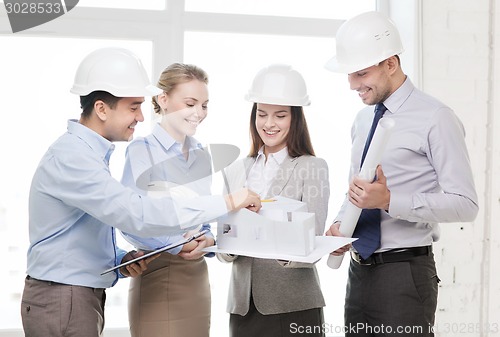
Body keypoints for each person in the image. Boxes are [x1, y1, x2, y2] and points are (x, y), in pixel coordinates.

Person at [20, 47, 261, 337]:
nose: (141, 117)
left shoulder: (90, 154)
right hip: (65, 296)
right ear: (101, 108)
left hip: (78, 294)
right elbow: (136, 213)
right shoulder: (74, 157)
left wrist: (119, 260)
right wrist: (229, 201)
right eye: (133, 107)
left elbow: (84, 227)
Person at [324, 11, 479, 336]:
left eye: (361, 73)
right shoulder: (363, 120)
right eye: (350, 74)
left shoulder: (436, 118)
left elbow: (465, 204)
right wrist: (341, 226)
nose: (353, 85)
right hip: (359, 273)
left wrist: (391, 200)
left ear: (391, 64)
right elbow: (357, 190)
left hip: (404, 274)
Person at [218, 64, 330, 337]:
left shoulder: (312, 167)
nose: (269, 124)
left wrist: (264, 226)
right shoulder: (235, 169)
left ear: (295, 119)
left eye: (280, 115)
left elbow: (311, 241)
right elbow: (223, 248)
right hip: (243, 306)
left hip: (293, 304)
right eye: (262, 114)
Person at [120, 63, 216, 337]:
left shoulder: (202, 156)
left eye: (205, 105)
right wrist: (177, 245)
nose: (199, 113)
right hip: (157, 273)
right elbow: (129, 218)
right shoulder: (142, 151)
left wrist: (207, 240)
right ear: (163, 100)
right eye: (190, 103)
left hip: (197, 276)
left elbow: (204, 219)